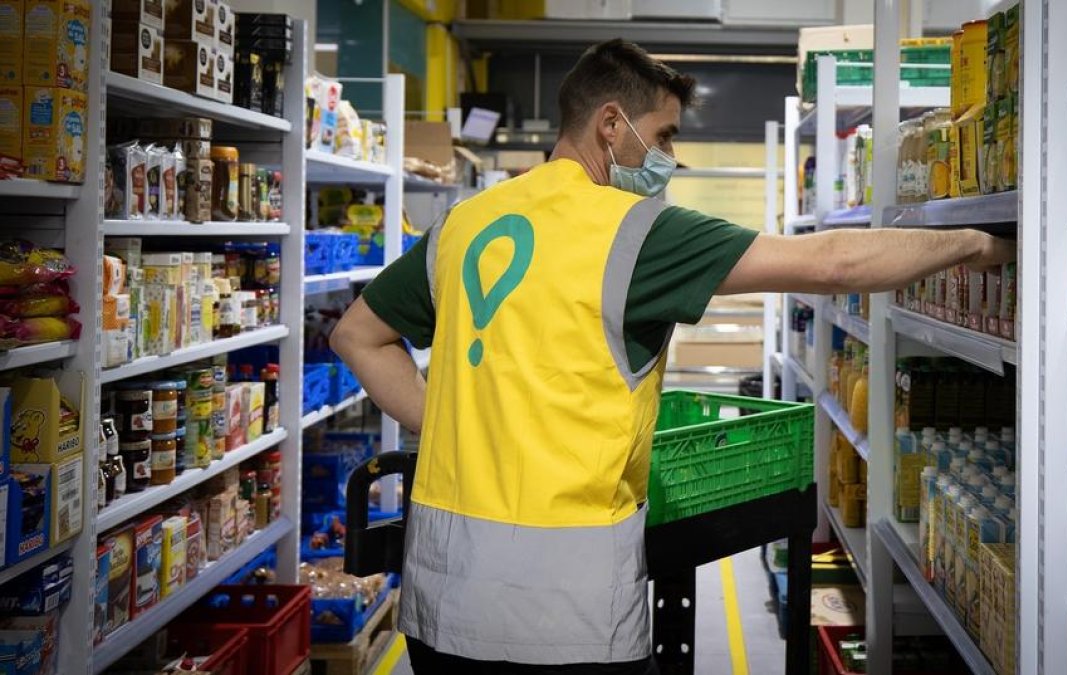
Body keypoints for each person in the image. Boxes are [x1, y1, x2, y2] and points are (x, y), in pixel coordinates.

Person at [331, 39, 1016, 675]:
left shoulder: (465, 221)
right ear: (610, 125)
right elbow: (832, 261)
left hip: (440, 610)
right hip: (567, 623)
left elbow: (356, 335)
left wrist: (459, 422)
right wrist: (979, 245)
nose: (667, 158)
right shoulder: (633, 230)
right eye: (661, 136)